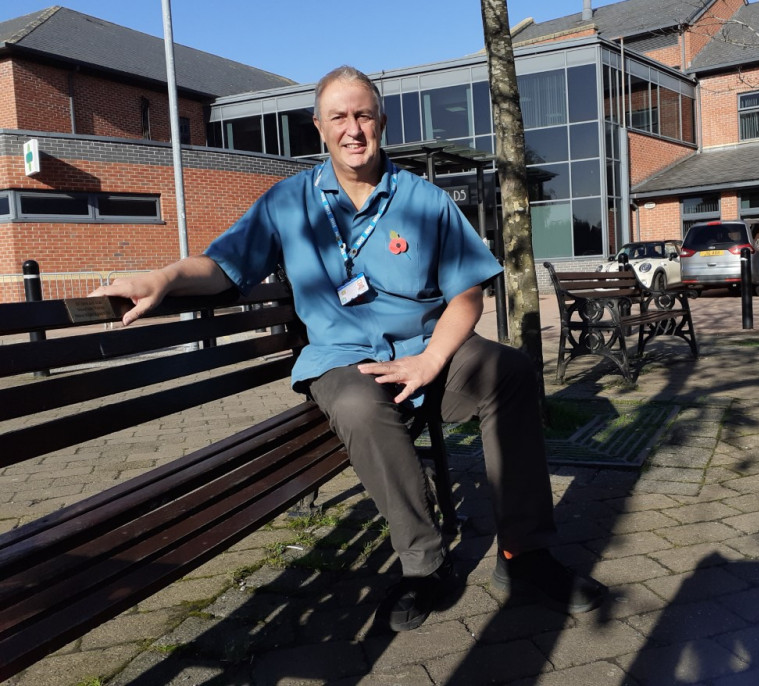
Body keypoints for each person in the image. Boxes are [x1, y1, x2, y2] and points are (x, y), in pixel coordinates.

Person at [90, 65, 603, 632]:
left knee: (508, 369)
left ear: (381, 121)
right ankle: (424, 562)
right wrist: (163, 279)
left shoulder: (423, 200)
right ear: (319, 127)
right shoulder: (288, 202)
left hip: (429, 351)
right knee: (359, 405)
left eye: (363, 115)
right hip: (342, 360)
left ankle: (524, 555)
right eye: (339, 117)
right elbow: (221, 265)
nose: (353, 129)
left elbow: (466, 296)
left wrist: (431, 359)